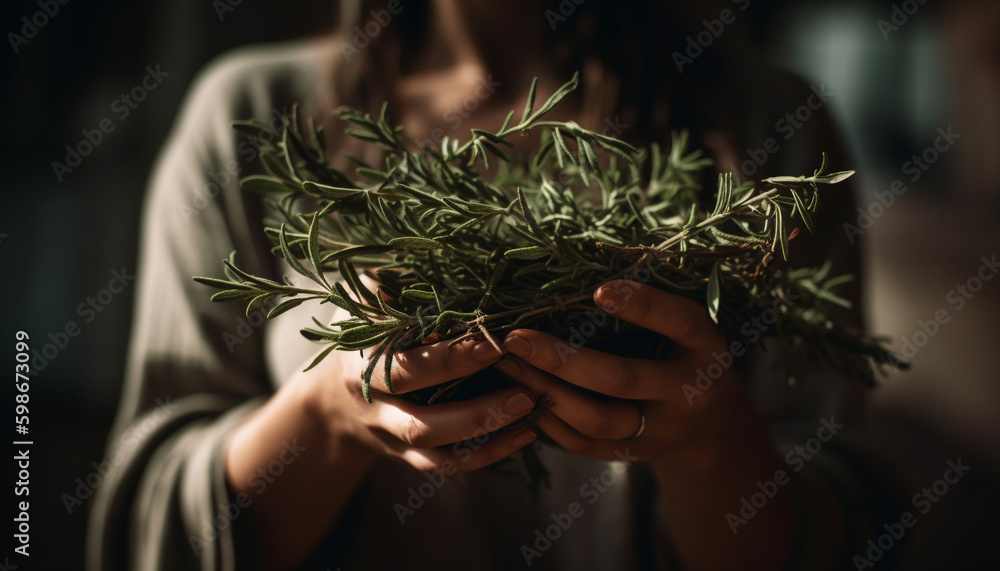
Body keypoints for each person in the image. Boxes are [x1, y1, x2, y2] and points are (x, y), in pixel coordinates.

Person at [87, 1, 900, 569]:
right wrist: (328, 412)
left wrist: (711, 444)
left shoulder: (769, 127)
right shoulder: (251, 118)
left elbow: (842, 525)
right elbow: (145, 529)